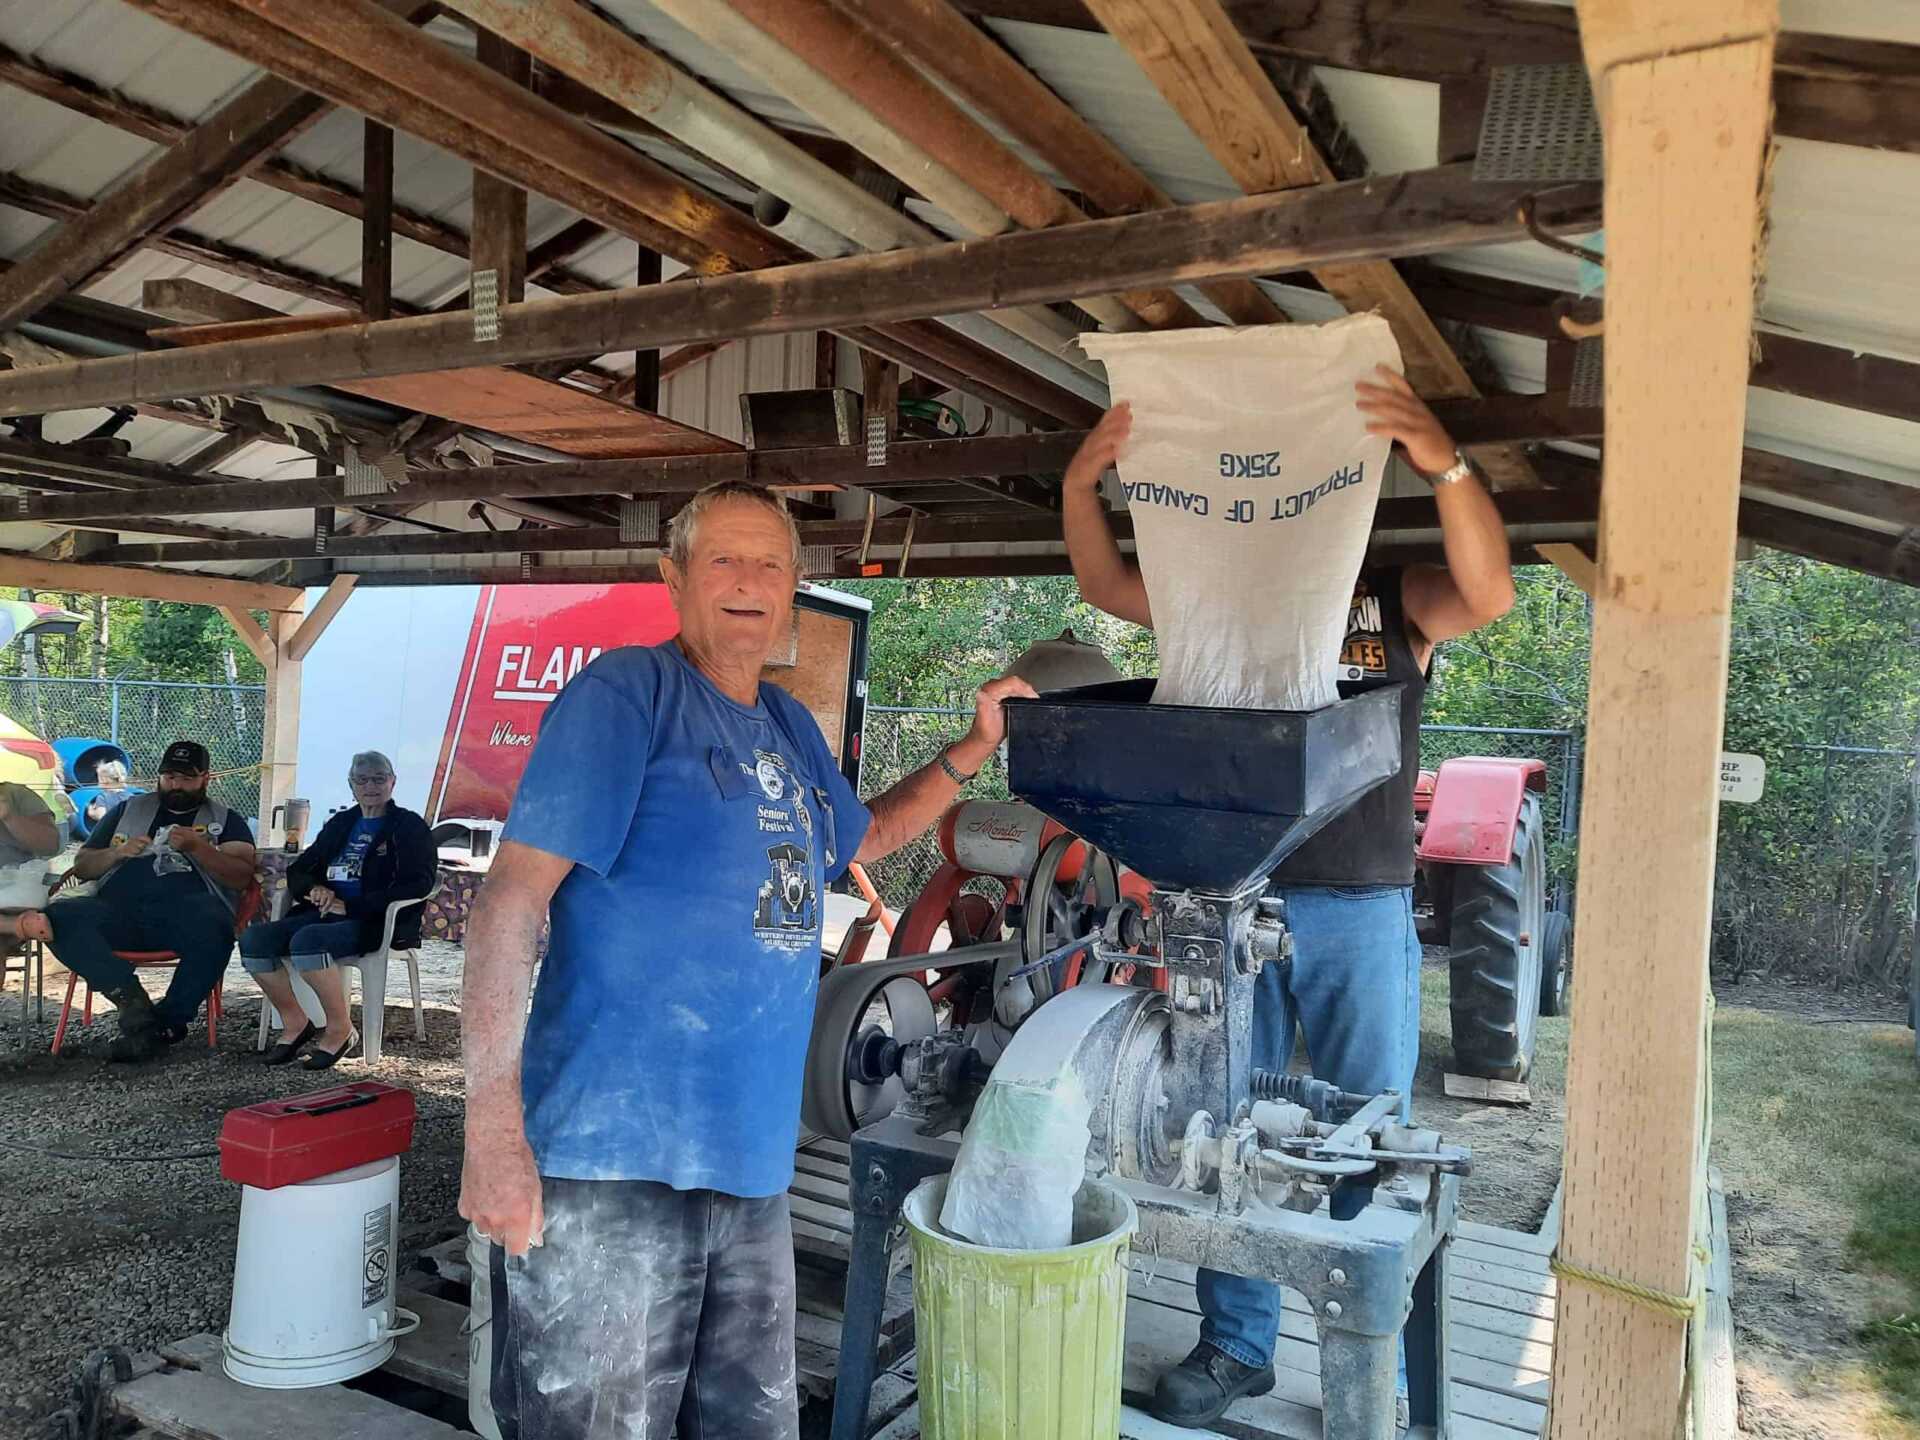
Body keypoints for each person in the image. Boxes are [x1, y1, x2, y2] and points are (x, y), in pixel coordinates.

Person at [460, 479, 1035, 1440]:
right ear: (674, 577)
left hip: (751, 1168)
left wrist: (972, 747)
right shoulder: (626, 697)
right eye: (722, 558)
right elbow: (509, 900)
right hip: (612, 1165)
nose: (747, 581)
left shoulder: (789, 727)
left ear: (792, 588)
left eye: (769, 563)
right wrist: (491, 1136)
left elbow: (870, 836)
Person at [1064, 366, 1516, 1428]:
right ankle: (1236, 1348)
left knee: (1372, 1129)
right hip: (1225, 895)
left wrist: (1445, 462)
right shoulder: (1213, 591)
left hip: (1357, 902)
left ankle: (1388, 1370)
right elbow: (1104, 586)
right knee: (1221, 1121)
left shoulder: (1394, 593)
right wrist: (1083, 482)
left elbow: (1489, 593)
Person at [46, 740, 257, 1063]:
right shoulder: (127, 809)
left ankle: (165, 1023)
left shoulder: (225, 819)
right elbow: (84, 866)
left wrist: (199, 848)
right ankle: (131, 1001)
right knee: (58, 916)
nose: (177, 785)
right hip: (118, 914)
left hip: (185, 919)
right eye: (170, 776)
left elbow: (242, 876)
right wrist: (117, 852)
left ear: (206, 778)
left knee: (217, 924)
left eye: (187, 778)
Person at [240, 751, 436, 1070]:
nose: (370, 785)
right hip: (321, 913)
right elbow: (301, 868)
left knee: (308, 940)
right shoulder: (342, 823)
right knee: (254, 940)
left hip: (372, 920)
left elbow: (418, 884)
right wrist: (313, 888)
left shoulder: (408, 827)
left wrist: (353, 904)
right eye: (362, 779)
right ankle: (295, 1023)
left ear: (392, 782)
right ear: (351, 784)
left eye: (378, 778)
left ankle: (339, 1029)